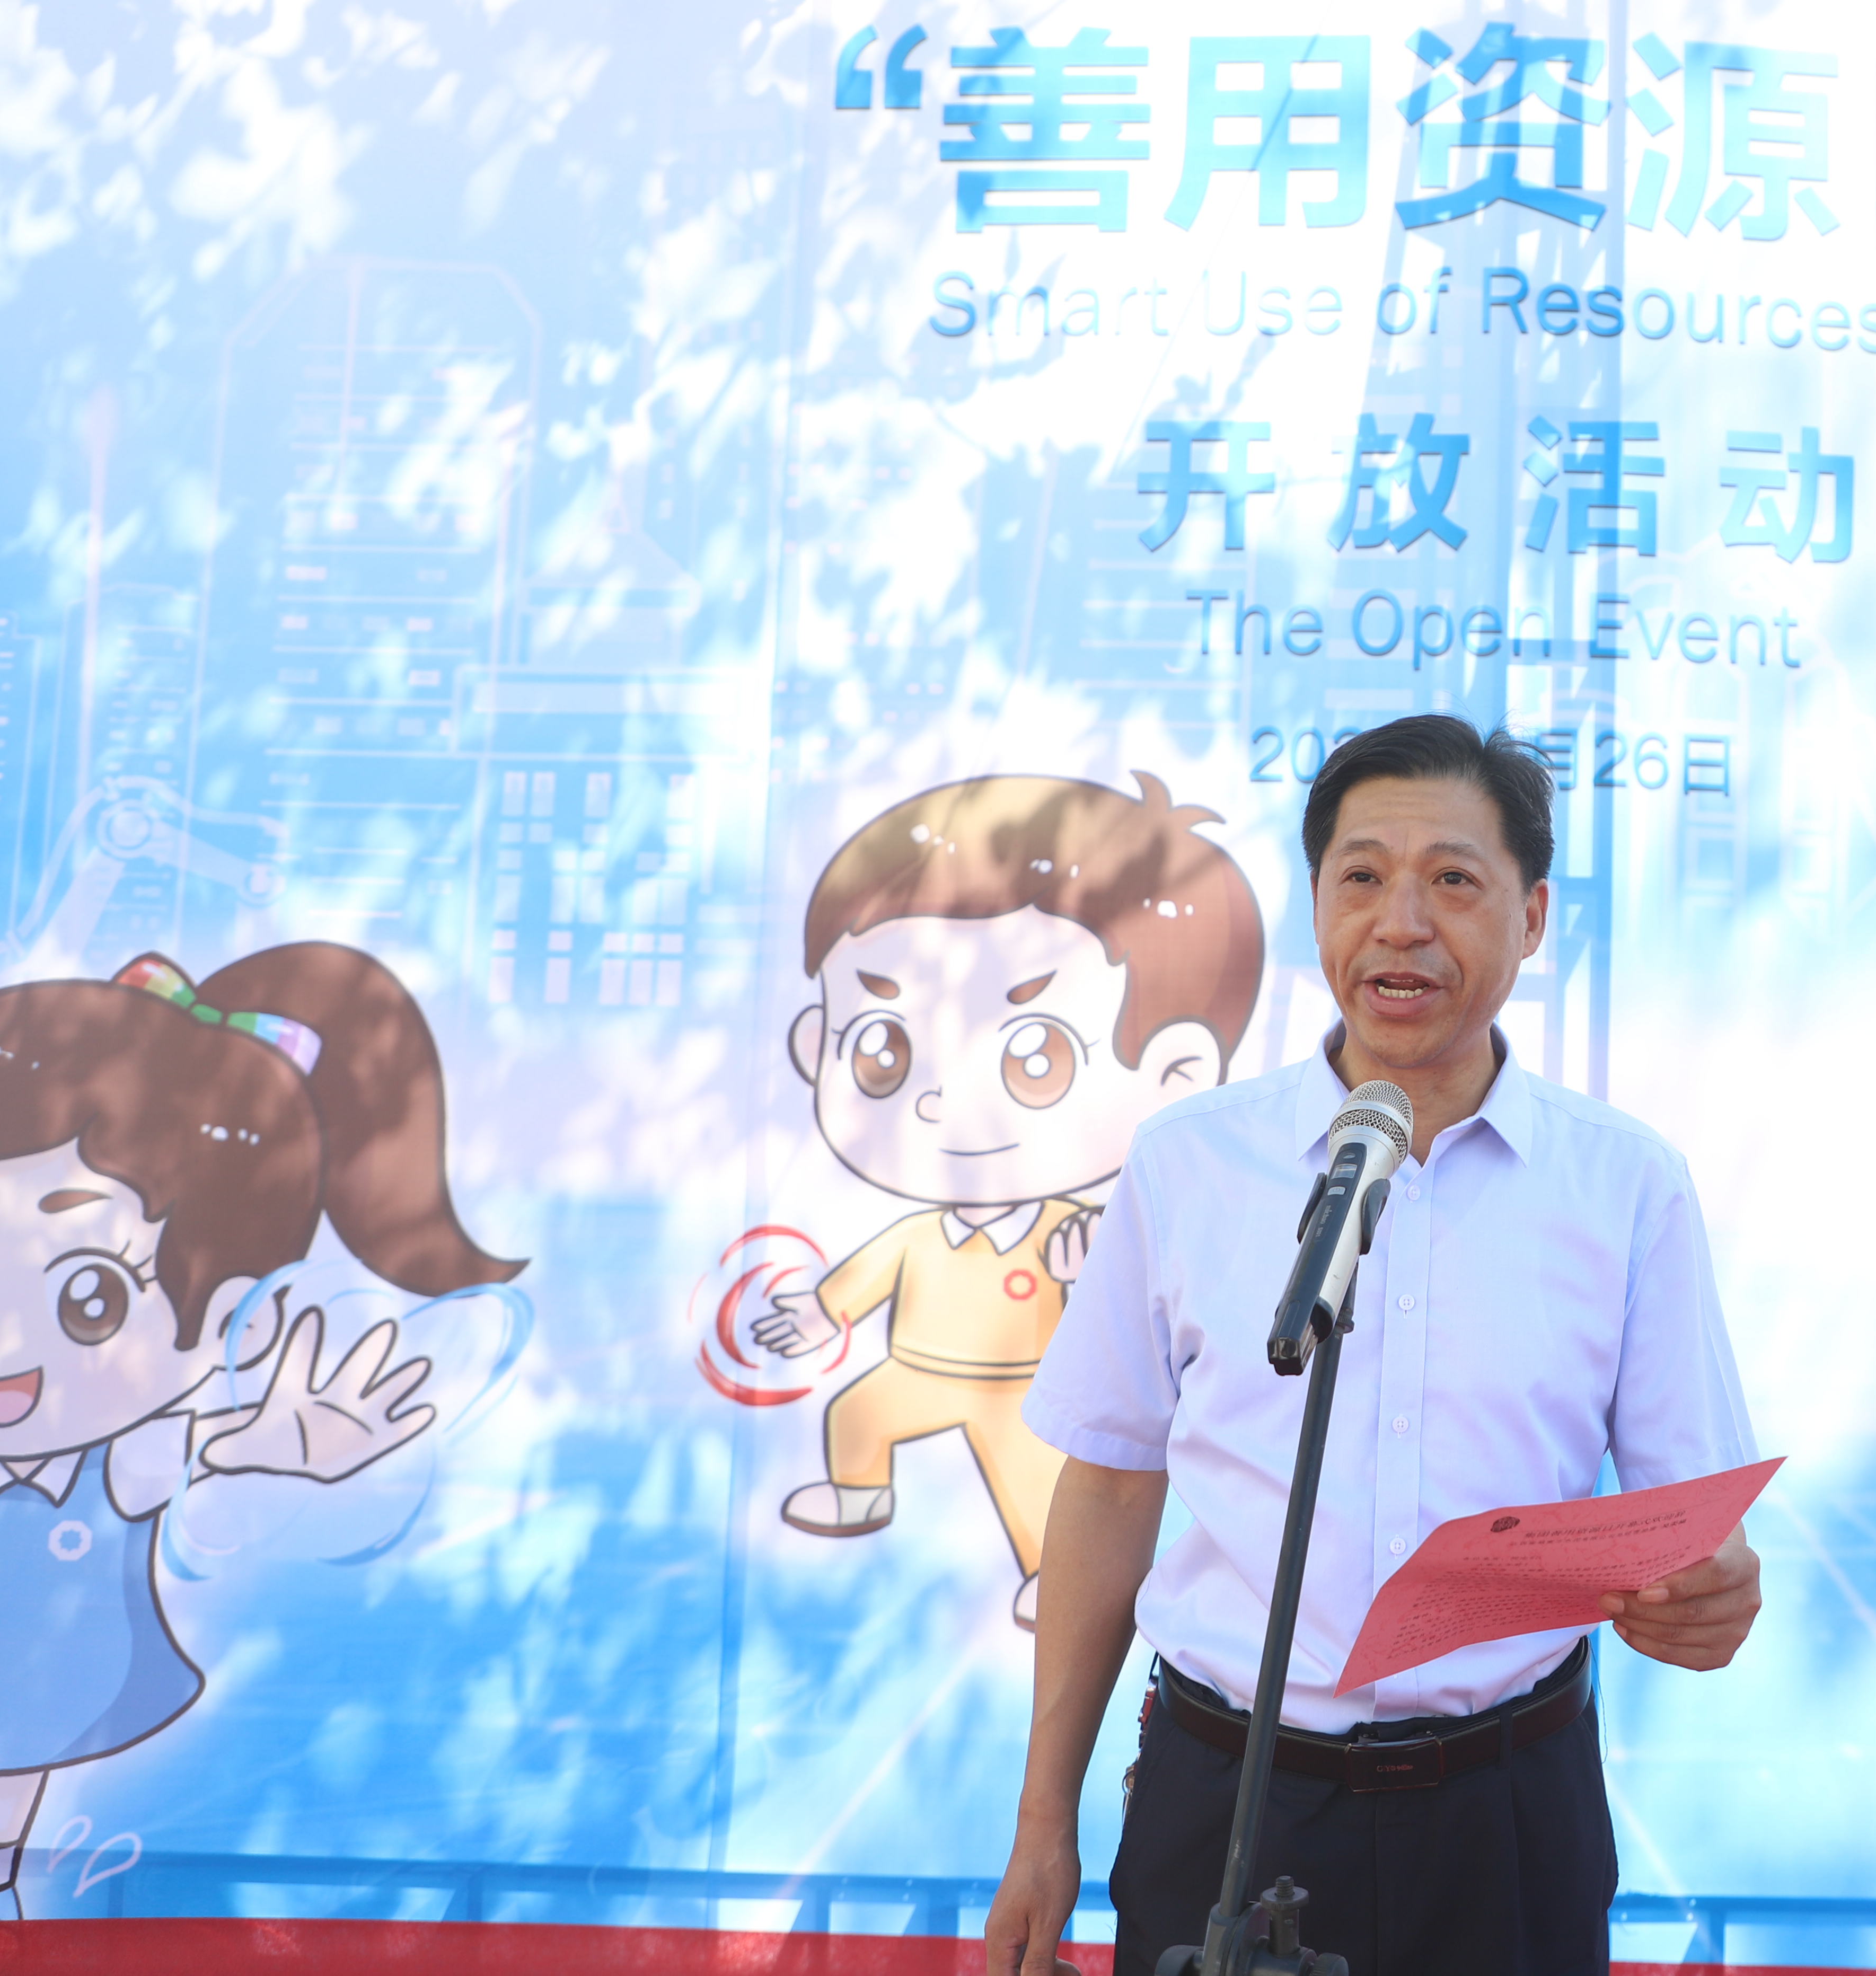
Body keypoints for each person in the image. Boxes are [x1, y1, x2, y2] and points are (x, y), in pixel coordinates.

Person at [983, 716, 1762, 1976]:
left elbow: (1692, 1532)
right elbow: (1113, 1489)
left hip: (1506, 1811)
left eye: (1454, 880)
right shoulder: (1191, 1164)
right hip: (1226, 1799)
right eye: (1362, 877)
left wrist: (1708, 1595)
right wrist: (1042, 1823)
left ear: (1532, 916)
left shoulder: (1625, 1185)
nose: (1401, 923)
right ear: (1318, 906)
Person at [0, 944, 523, 1920]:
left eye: (90, 1298)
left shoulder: (121, 1462)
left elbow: (199, 1457)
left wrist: (274, 1450)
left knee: (9, 1765)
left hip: (40, 1683)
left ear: (233, 1321)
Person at [750, 772, 1264, 1631]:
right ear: (817, 1046)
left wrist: (1084, 1261)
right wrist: (820, 1311)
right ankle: (860, 1492)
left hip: (1020, 1396)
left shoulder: (1106, 1226)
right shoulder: (919, 1234)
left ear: (1175, 1075)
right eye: (883, 1047)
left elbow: (1129, 1339)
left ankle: (1044, 1576)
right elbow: (867, 1276)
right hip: (915, 1368)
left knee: (1047, 1492)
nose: (944, 1100)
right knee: (856, 1413)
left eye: (1035, 1057)